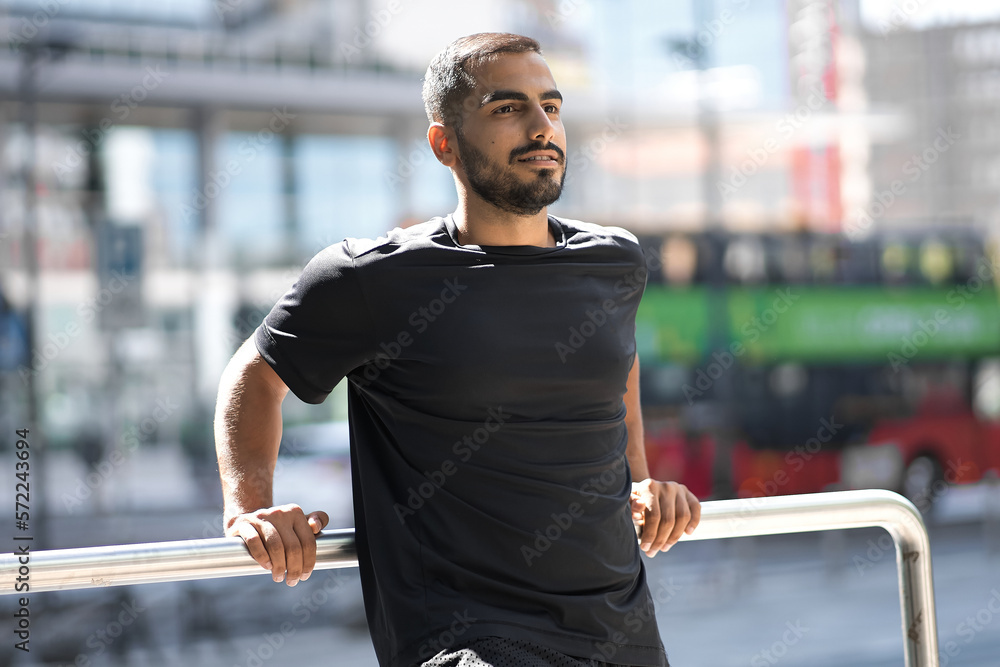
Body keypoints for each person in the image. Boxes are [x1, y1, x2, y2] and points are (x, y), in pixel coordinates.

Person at [214, 32, 700, 667]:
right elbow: (254, 374)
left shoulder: (613, 260)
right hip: (470, 641)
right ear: (444, 143)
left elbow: (616, 368)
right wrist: (248, 509)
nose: (540, 127)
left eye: (551, 107)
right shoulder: (372, 278)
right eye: (507, 108)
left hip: (624, 631)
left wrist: (640, 480)